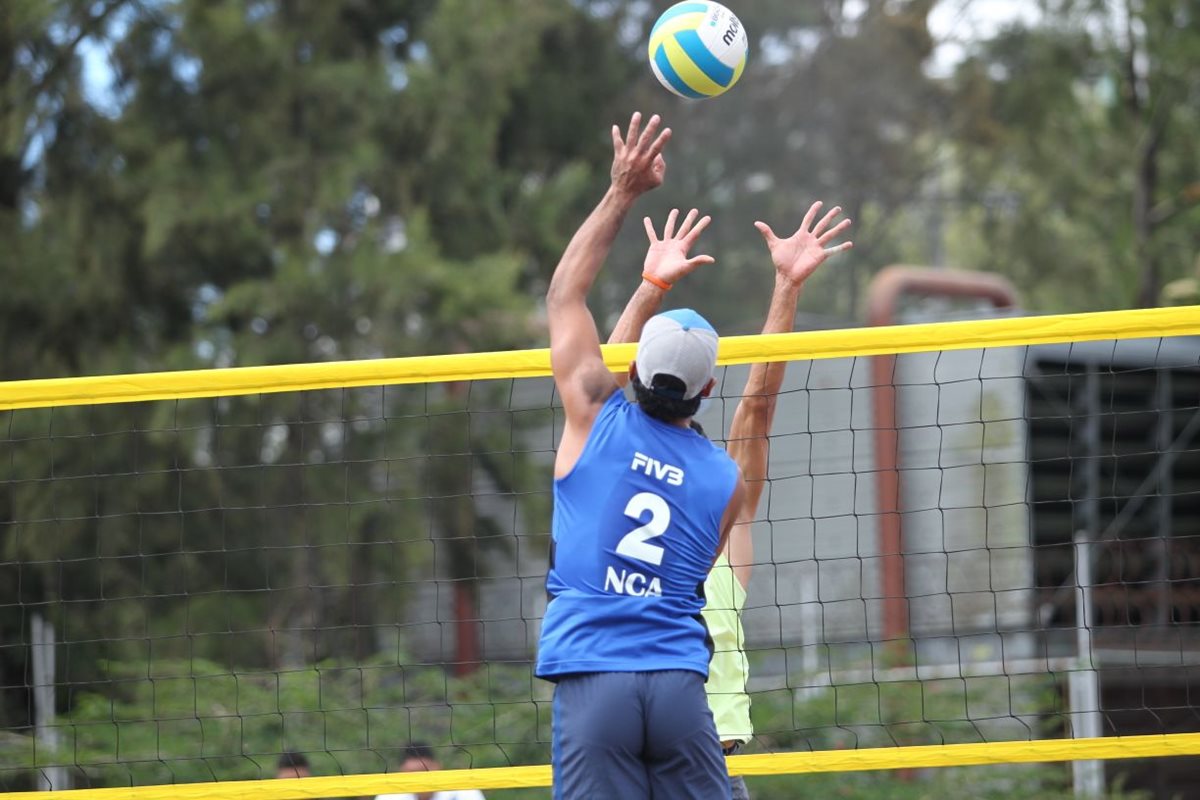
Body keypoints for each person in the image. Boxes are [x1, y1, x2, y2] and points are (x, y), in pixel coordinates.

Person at [610, 201, 853, 800]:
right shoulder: (658, 514)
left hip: (705, 767)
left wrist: (785, 287)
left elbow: (755, 407)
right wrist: (784, 284)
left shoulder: (710, 518)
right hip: (648, 761)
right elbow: (752, 408)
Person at [535, 110, 745, 799]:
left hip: (595, 678)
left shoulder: (594, 414)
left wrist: (623, 192)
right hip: (680, 687)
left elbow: (565, 291)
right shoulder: (722, 476)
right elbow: (696, 574)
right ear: (708, 389)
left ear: (630, 367)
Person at [374, 742, 485, 800]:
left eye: (423, 770)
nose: (419, 777)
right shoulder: (389, 796)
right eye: (412, 772)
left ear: (438, 767)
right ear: (402, 772)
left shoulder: (464, 791)